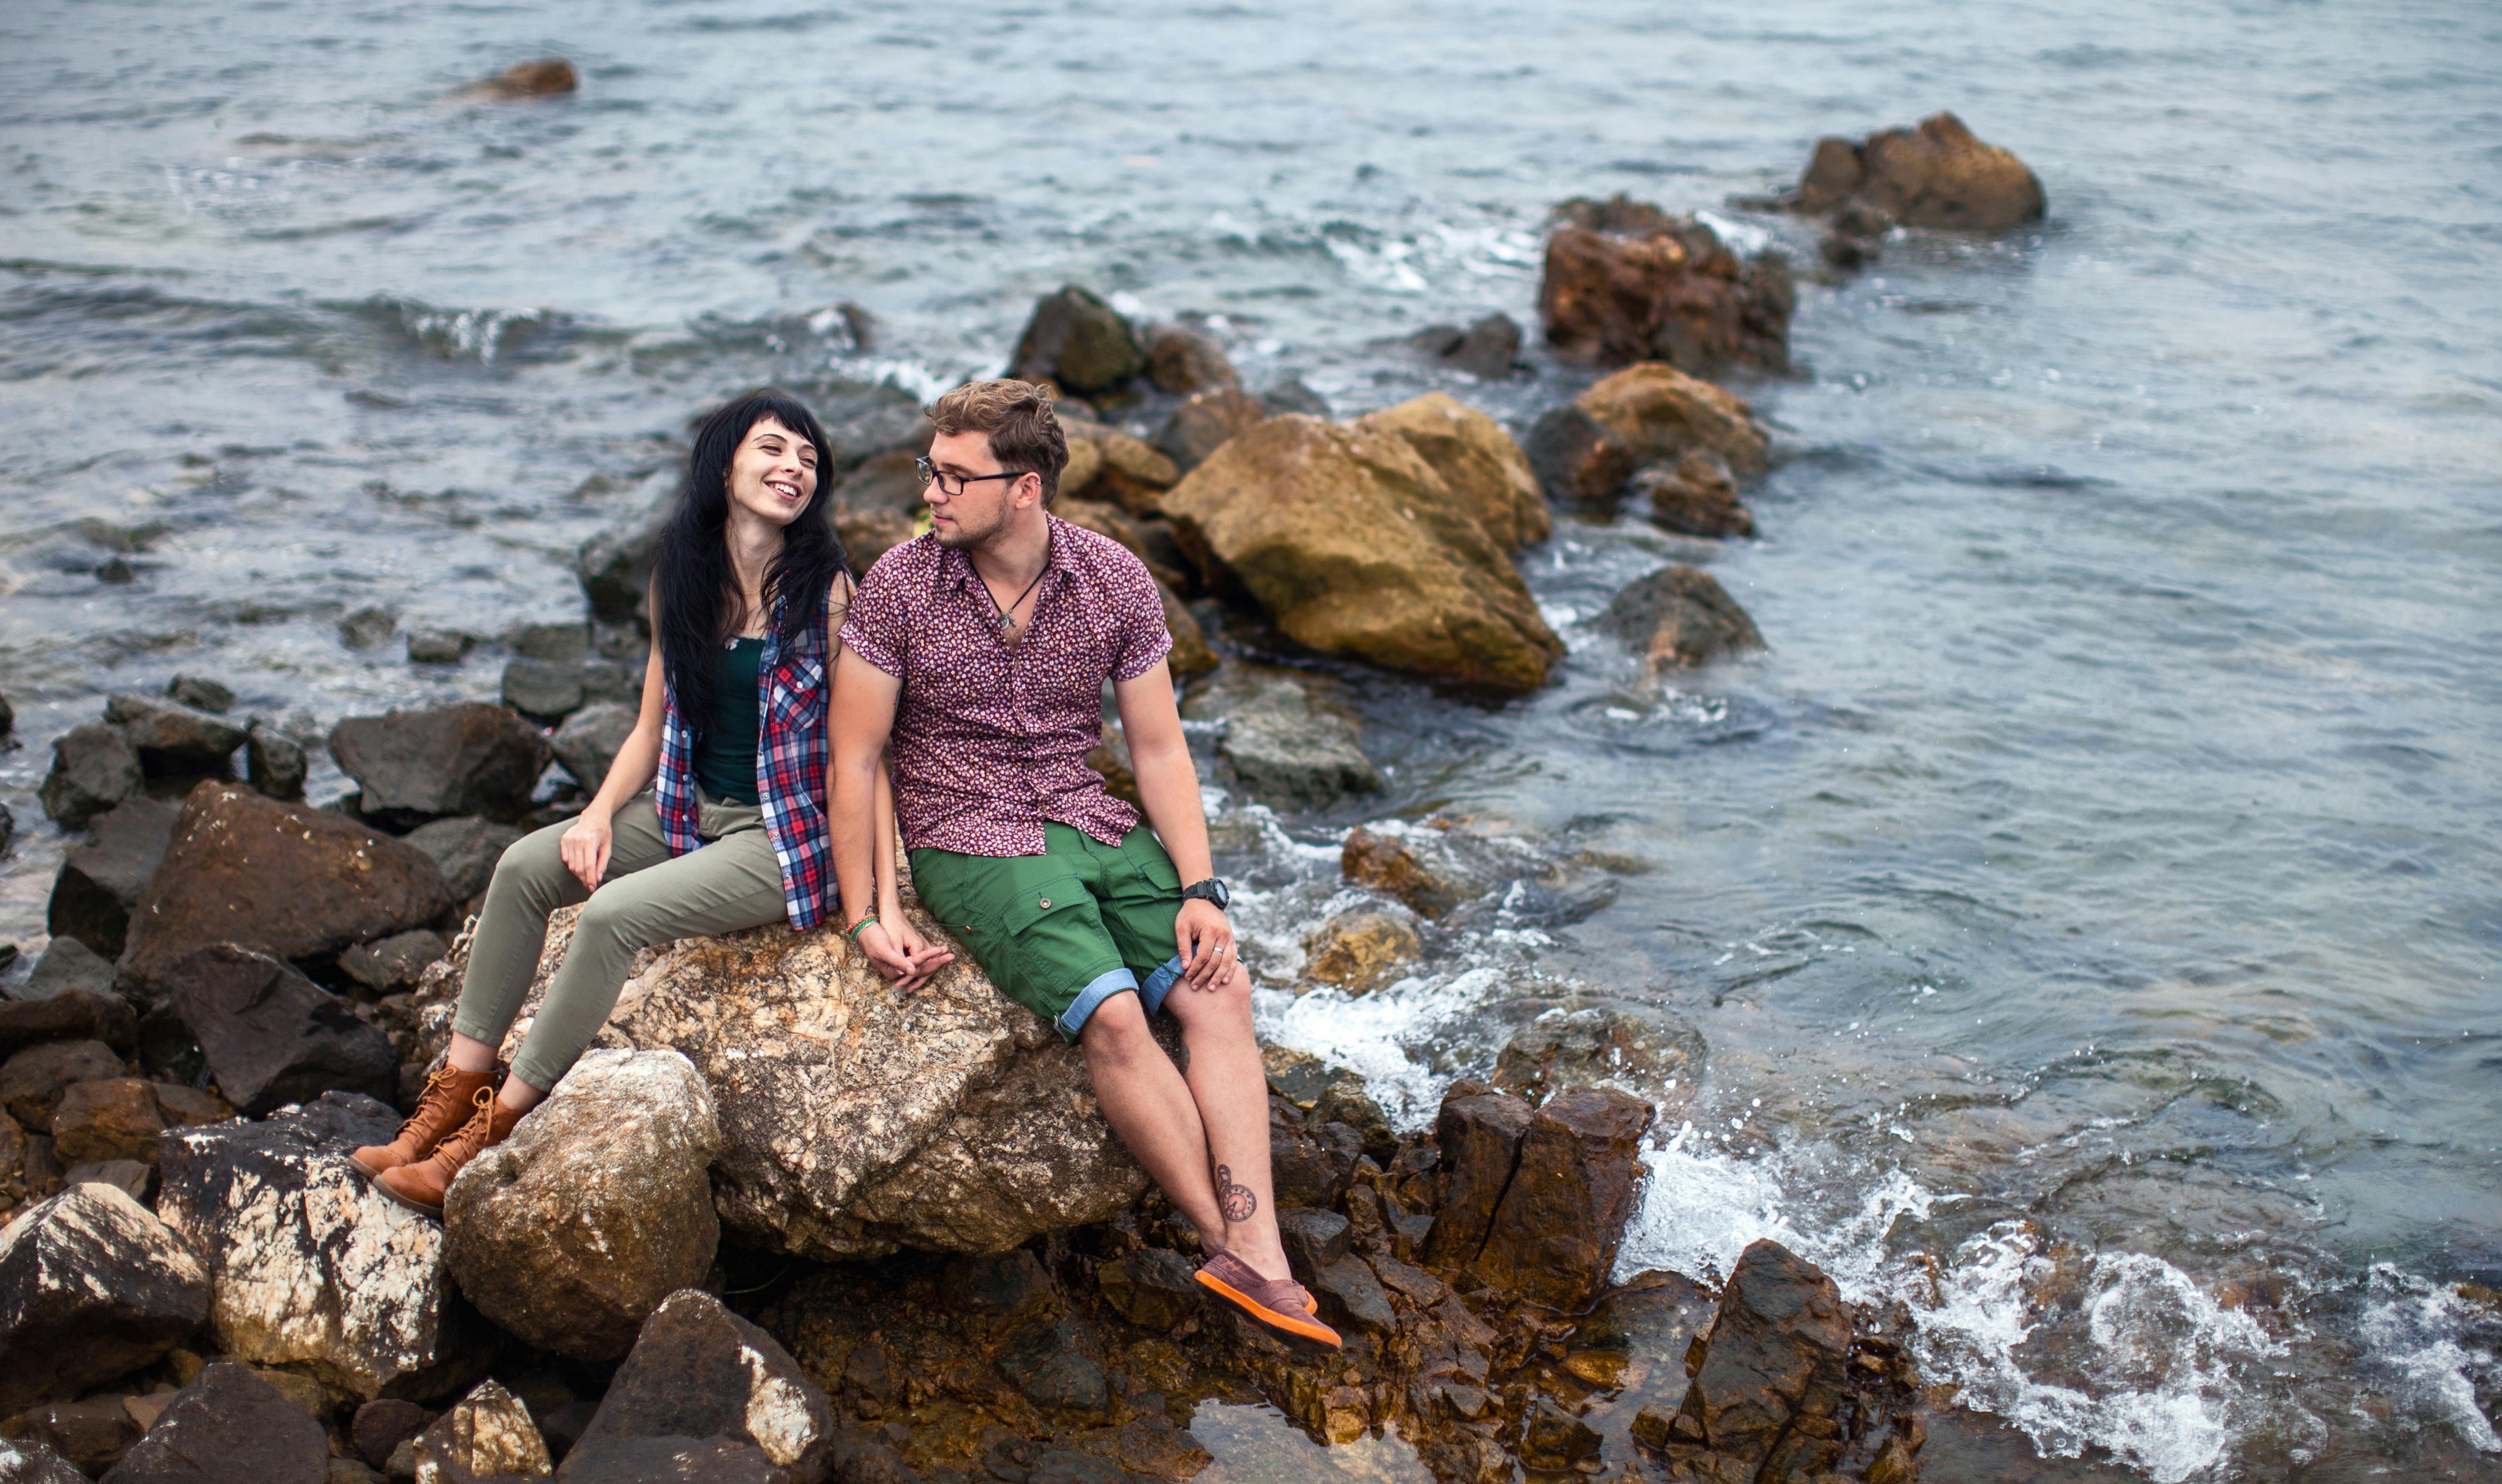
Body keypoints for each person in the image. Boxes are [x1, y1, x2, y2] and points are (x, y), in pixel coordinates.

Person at [828, 378, 1340, 1350]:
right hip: (968, 831)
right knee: (1112, 1011)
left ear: (1024, 489)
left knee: (1216, 991)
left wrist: (1201, 888)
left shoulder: (1112, 579)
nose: (929, 493)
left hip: (1088, 818)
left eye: (952, 476)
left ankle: (1254, 1253)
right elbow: (854, 757)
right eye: (927, 471)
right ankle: (1231, 1243)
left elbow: (1157, 749)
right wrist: (868, 913)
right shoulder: (900, 583)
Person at [354, 389, 950, 1215]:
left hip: (780, 837)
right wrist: (597, 816)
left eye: (809, 459)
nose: (795, 469)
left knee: (610, 917)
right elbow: (648, 727)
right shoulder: (684, 580)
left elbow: (867, 758)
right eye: (774, 449)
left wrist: (880, 908)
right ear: (726, 462)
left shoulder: (830, 595)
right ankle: (449, 1098)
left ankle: (489, 1134)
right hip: (683, 813)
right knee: (525, 865)